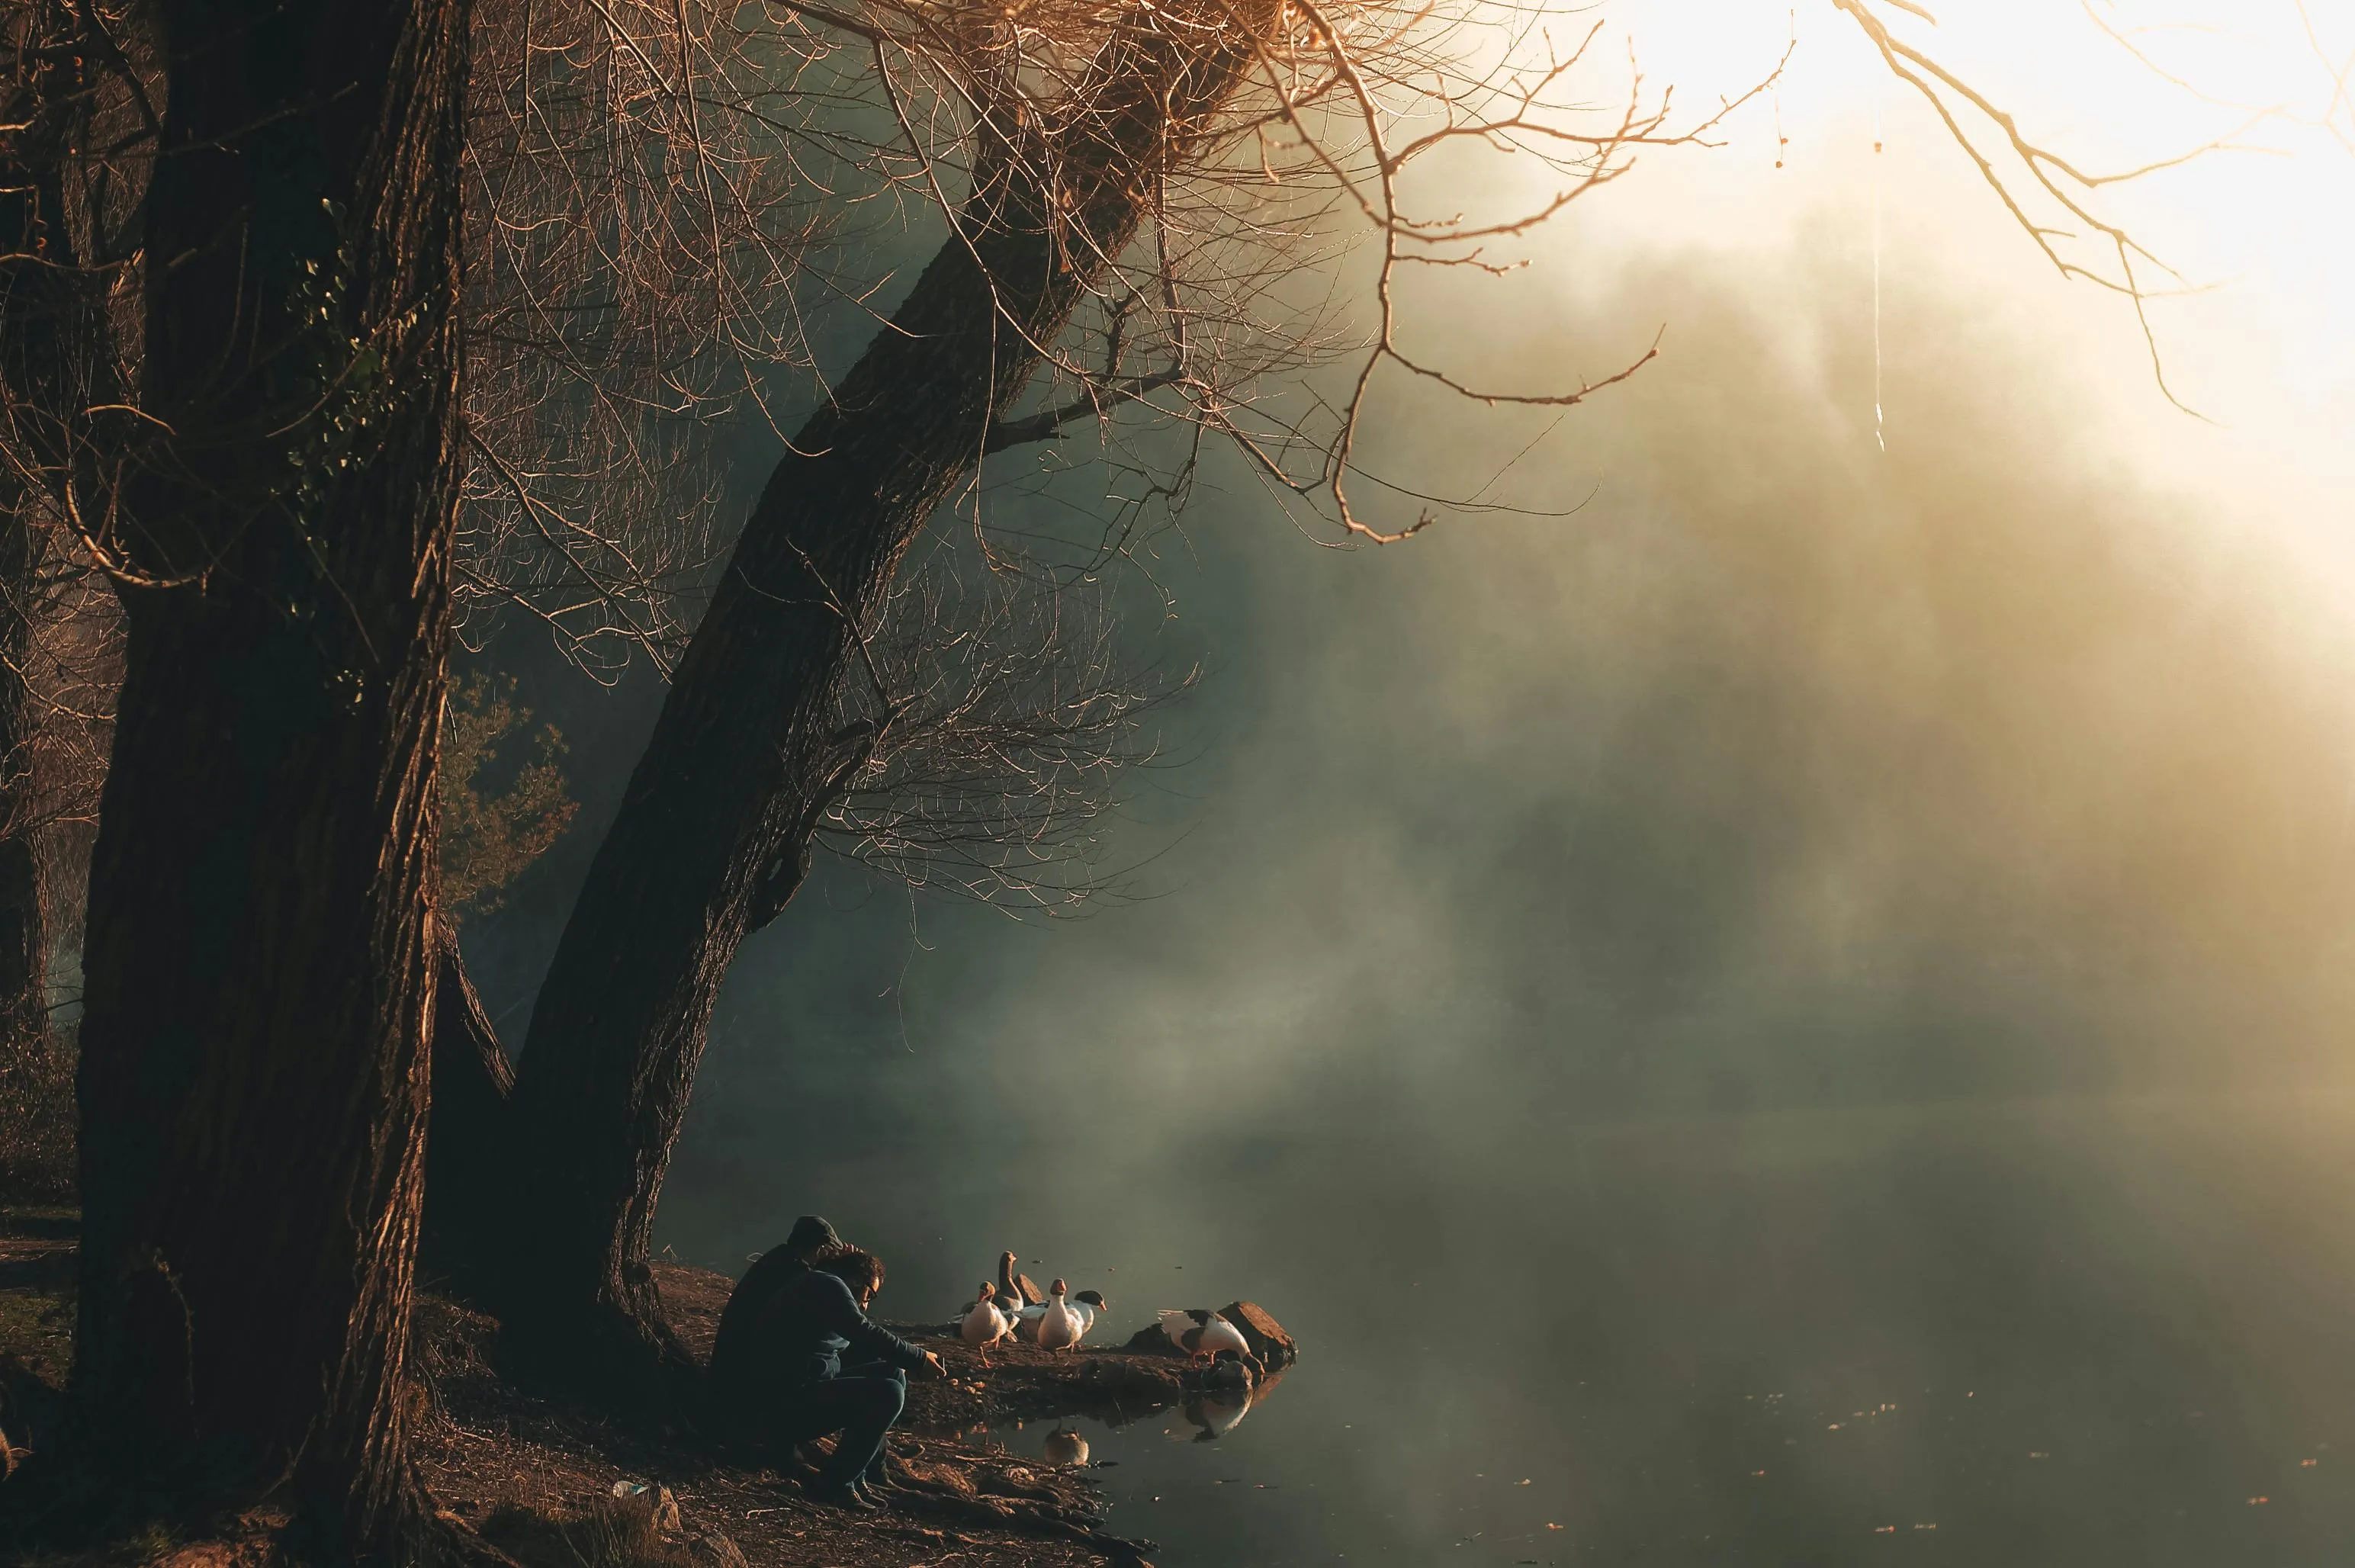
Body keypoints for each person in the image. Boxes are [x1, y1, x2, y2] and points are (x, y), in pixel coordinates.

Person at [714, 1240, 943, 1508]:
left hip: (799, 1392)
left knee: (894, 1373)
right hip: (778, 1409)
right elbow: (862, 1330)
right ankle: (833, 1486)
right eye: (870, 1295)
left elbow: (852, 1346)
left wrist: (904, 1362)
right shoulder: (825, 1285)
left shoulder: (822, 1288)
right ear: (858, 1280)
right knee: (888, 1393)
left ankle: (868, 1475)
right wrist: (918, 1357)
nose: (867, 1305)